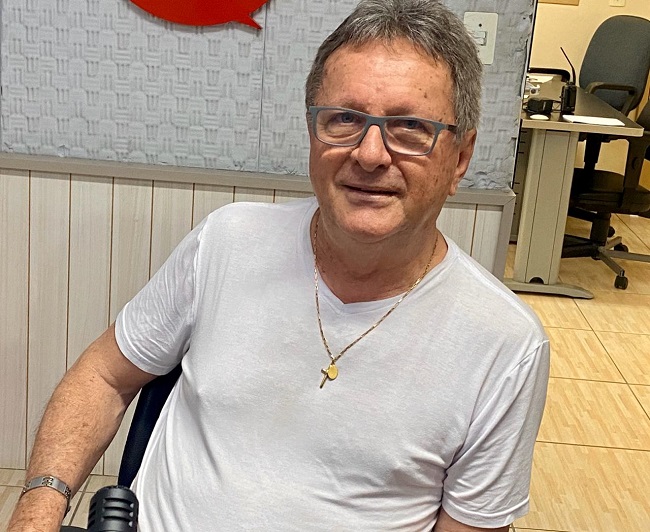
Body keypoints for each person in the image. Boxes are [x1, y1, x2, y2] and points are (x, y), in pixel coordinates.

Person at [9, 0, 549, 530]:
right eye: (344, 119)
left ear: (460, 159)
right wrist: (37, 511)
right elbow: (104, 376)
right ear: (313, 133)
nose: (369, 154)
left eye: (409, 127)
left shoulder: (503, 344)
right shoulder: (227, 241)